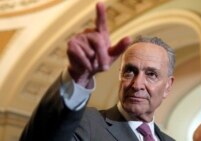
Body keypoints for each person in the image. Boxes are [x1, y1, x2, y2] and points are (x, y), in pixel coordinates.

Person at [20, 2, 175, 141]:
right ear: (120, 74)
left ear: (168, 86)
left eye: (151, 74)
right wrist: (78, 76)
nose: (137, 84)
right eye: (130, 71)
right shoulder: (86, 123)